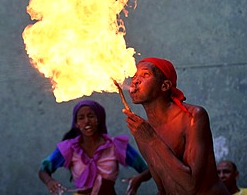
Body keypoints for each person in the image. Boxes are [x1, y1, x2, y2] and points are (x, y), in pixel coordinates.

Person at [122, 57, 230, 195]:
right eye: (135, 76)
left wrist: (152, 140)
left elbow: (191, 186)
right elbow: (163, 187)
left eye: (145, 74)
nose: (135, 80)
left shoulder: (192, 116)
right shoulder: (143, 130)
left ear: (165, 86)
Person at [38, 99, 151, 195]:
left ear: (99, 120)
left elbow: (149, 170)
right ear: (76, 123)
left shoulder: (116, 146)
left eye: (91, 116)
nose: (87, 121)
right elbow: (43, 171)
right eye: (81, 118)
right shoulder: (70, 148)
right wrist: (49, 181)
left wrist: (138, 179)